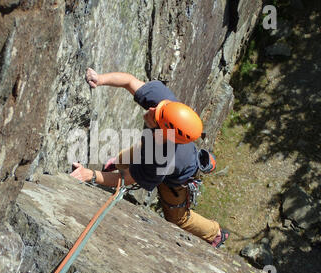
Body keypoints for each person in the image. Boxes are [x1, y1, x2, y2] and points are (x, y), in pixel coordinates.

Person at [70, 68, 229, 248]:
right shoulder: (167, 107)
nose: (152, 109)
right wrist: (100, 79)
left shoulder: (160, 159)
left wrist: (89, 175)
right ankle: (116, 163)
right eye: (158, 109)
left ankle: (215, 233)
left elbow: (126, 180)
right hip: (157, 150)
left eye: (156, 115)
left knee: (178, 218)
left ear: (165, 131)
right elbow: (129, 81)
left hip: (176, 179)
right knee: (140, 151)